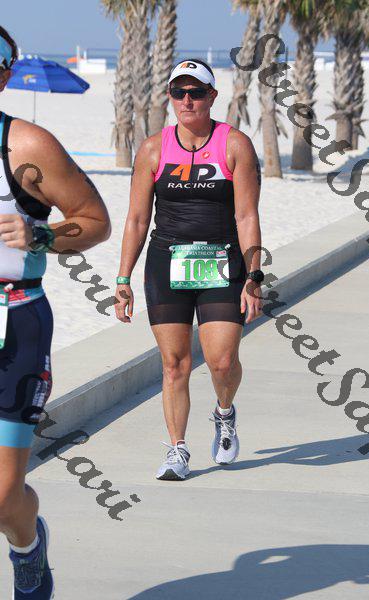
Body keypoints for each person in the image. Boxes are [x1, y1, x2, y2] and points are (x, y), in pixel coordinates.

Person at [0, 27, 111, 599]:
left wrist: (40, 235)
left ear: (5, 73)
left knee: (2, 496)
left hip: (14, 322)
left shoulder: (27, 146)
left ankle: (27, 546)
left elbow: (95, 220)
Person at [115, 58, 264, 481]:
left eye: (196, 92)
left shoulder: (234, 144)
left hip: (222, 262)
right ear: (169, 97)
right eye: (178, 92)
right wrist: (123, 279)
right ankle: (177, 450)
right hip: (167, 263)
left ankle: (224, 413)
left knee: (222, 361)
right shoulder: (153, 149)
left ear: (212, 96)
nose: (186, 100)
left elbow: (247, 216)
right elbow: (137, 220)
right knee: (174, 364)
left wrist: (254, 276)